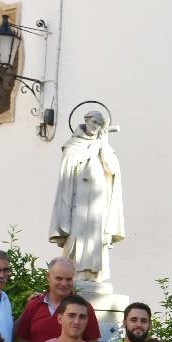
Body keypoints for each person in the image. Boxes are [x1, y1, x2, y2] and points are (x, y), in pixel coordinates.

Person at [49, 109, 124, 282]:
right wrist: (93, 148)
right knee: (77, 236)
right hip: (78, 201)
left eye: (99, 124)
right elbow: (69, 170)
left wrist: (103, 146)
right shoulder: (73, 146)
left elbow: (112, 170)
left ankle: (94, 275)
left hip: (98, 203)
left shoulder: (104, 147)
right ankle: (75, 274)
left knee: (95, 238)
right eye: (93, 122)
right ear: (86, 121)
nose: (95, 126)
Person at [14, 256, 102, 342]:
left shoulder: (84, 308)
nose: (64, 284)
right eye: (59, 278)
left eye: (68, 279)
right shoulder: (34, 305)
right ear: (48, 276)